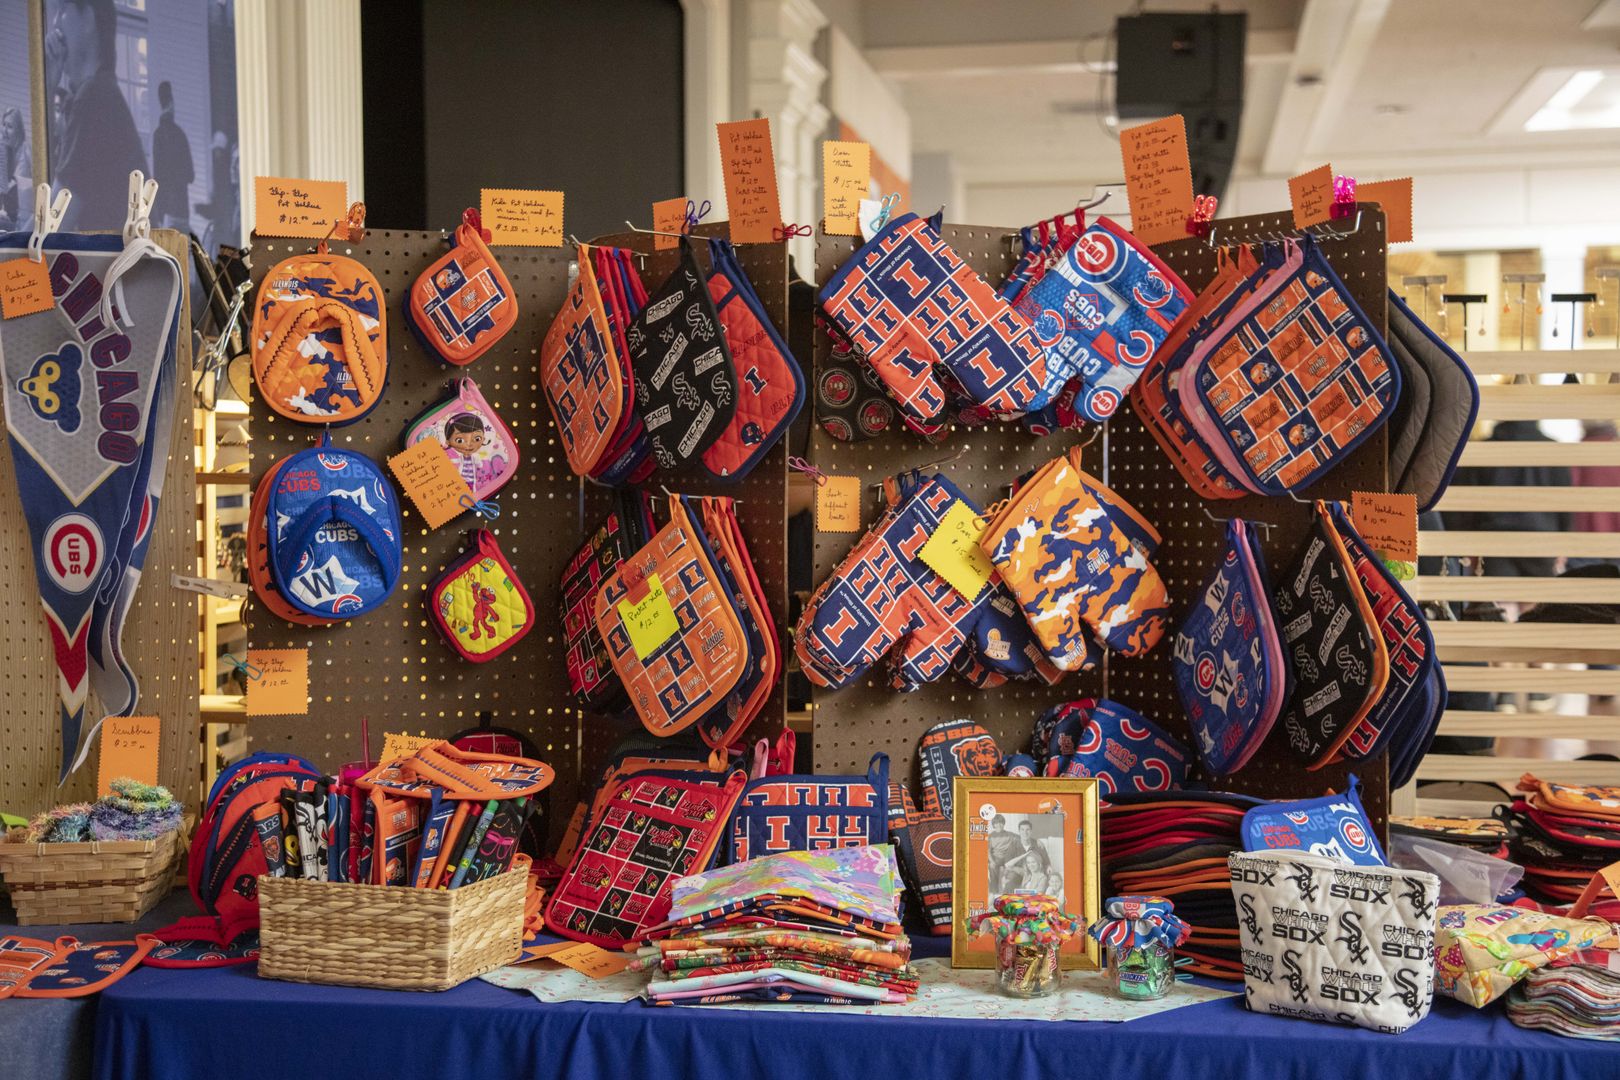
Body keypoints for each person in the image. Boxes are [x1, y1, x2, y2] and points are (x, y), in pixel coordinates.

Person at [46, 0, 147, 230]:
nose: (55, 23)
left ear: (88, 20)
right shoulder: (100, 94)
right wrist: (47, 87)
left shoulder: (95, 99)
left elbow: (51, 226)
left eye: (62, 10)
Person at [150, 81, 193, 231]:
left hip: (166, 208)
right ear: (171, 104)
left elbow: (158, 175)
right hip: (181, 207)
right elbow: (191, 175)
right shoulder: (179, 134)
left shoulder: (158, 135)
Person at [0, 108, 30, 230]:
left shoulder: (25, 153)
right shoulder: (6, 150)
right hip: (8, 215)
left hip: (22, 222)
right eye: (4, 125)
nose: (4, 130)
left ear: (18, 131)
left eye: (10, 127)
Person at [985, 814, 1020, 897]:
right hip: (996, 857)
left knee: (1012, 868)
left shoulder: (1010, 835)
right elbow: (988, 851)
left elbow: (1022, 837)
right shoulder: (990, 837)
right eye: (996, 823)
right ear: (993, 825)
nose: (999, 825)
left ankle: (1007, 892)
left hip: (1007, 858)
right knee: (992, 867)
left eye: (1001, 823)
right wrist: (992, 861)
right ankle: (994, 892)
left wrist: (1036, 841)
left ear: (1003, 824)